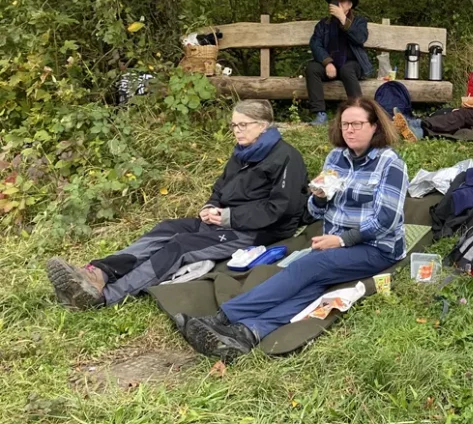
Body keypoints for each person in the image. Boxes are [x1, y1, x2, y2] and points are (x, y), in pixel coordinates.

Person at [179, 97, 408, 361]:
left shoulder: (390, 164)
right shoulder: (336, 158)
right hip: (334, 242)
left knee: (307, 267)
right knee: (313, 284)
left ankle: (225, 316)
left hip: (376, 247)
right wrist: (320, 197)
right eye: (345, 124)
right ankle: (248, 333)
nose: (350, 130)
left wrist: (341, 240)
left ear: (375, 127)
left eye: (357, 123)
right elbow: (315, 211)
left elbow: (386, 220)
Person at [46, 100, 309, 310]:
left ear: (263, 126)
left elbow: (281, 209)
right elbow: (221, 186)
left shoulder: (286, 157)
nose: (237, 131)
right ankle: (97, 274)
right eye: (233, 125)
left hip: (254, 232)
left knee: (181, 246)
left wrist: (228, 217)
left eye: (243, 125)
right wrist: (210, 205)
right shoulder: (242, 152)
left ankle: (107, 296)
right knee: (166, 228)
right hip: (221, 220)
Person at [305, 0, 374, 125]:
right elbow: (315, 45)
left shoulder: (359, 22)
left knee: (346, 70)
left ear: (349, 5)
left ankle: (358, 113)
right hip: (331, 66)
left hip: (353, 65)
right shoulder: (323, 24)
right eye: (334, 2)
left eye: (341, 2)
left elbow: (360, 39)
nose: (336, 5)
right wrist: (328, 63)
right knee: (312, 68)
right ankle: (320, 114)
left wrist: (343, 19)